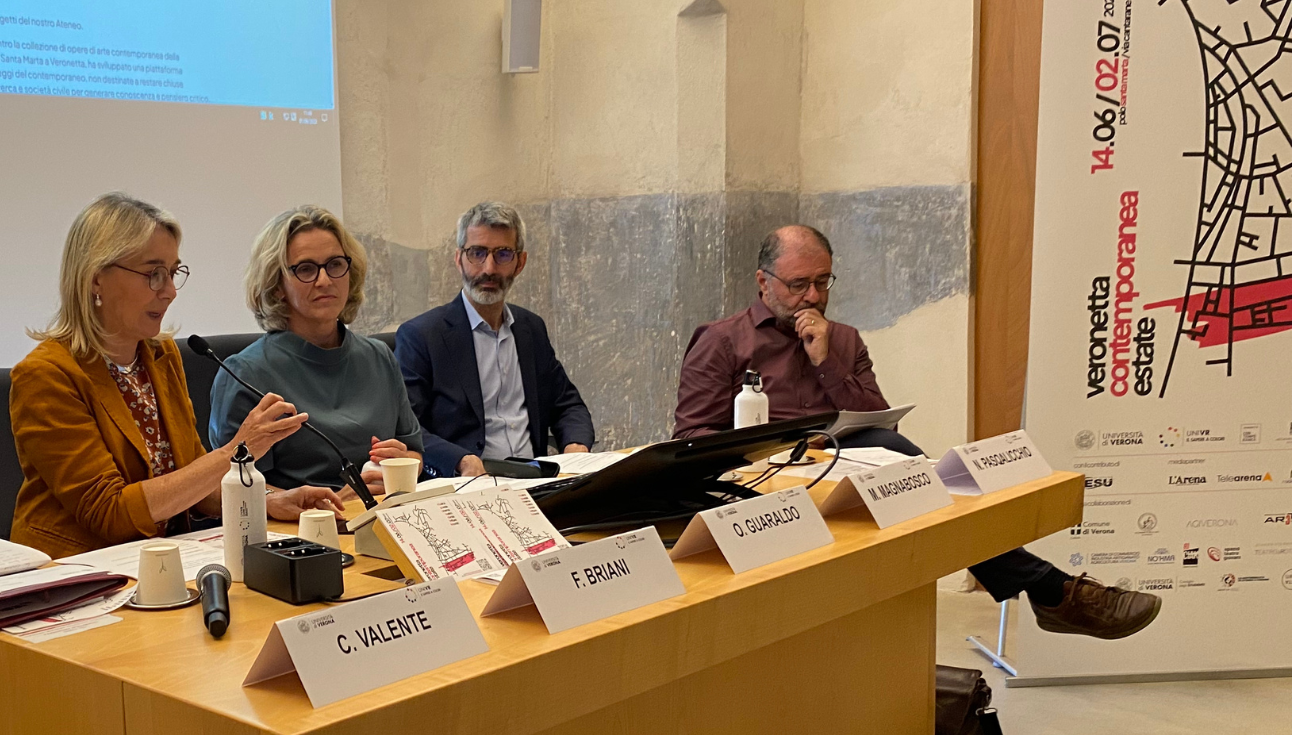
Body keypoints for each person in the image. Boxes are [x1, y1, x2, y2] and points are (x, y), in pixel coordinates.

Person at [674, 224, 1161, 640]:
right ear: (763, 282)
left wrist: (825, 362)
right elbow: (691, 435)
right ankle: (1052, 590)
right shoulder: (722, 341)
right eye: (799, 284)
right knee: (918, 476)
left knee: (910, 467)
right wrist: (770, 449)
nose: (814, 297)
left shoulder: (843, 340)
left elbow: (876, 417)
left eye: (823, 282)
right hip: (768, 483)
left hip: (850, 478)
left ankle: (1047, 592)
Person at [11, 193, 341, 556]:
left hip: (162, 561)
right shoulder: (45, 375)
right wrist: (236, 451)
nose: (169, 292)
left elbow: (193, 482)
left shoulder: (160, 356)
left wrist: (269, 500)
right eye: (153, 274)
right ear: (96, 279)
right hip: (77, 572)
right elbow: (109, 513)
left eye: (172, 273)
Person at [210, 204, 424, 494]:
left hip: (385, 511)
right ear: (276, 285)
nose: (324, 281)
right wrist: (332, 501)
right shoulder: (244, 373)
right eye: (306, 269)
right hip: (299, 521)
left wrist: (401, 464)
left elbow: (414, 453)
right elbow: (231, 485)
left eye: (335, 265)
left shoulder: (379, 356)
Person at [395, 201, 595, 478]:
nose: (488, 268)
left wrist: (576, 447)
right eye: (477, 253)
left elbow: (567, 405)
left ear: (520, 263)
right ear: (459, 259)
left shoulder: (531, 329)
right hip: (468, 484)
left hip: (536, 479)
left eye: (503, 254)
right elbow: (407, 427)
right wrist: (460, 460)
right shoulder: (422, 336)